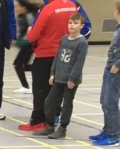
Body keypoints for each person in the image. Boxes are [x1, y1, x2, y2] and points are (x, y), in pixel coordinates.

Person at [21, 0, 79, 133]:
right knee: (56, 90)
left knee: (40, 89)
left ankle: (38, 121)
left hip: (46, 54)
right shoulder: (72, 6)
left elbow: (34, 35)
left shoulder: (48, 8)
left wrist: (30, 31)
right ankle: (52, 120)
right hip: (64, 54)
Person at [36, 12, 88, 140]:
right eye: (70, 23)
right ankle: (50, 125)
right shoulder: (64, 39)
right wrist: (53, 73)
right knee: (50, 101)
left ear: (81, 25)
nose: (72, 25)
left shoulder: (82, 42)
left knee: (67, 104)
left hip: (70, 80)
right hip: (59, 76)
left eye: (75, 23)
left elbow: (79, 63)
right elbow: (57, 57)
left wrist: (72, 78)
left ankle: (63, 128)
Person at [91, 0, 120, 148]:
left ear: (117, 11)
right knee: (104, 101)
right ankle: (107, 130)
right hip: (110, 68)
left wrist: (117, 64)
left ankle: (112, 136)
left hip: (118, 70)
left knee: (111, 103)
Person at [12, 0, 38, 94]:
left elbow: (31, 32)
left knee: (17, 64)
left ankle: (25, 86)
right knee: (25, 66)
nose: (15, 8)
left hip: (29, 44)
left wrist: (18, 42)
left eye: (17, 6)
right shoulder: (21, 16)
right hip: (26, 44)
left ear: (23, 7)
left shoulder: (29, 16)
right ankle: (43, 70)